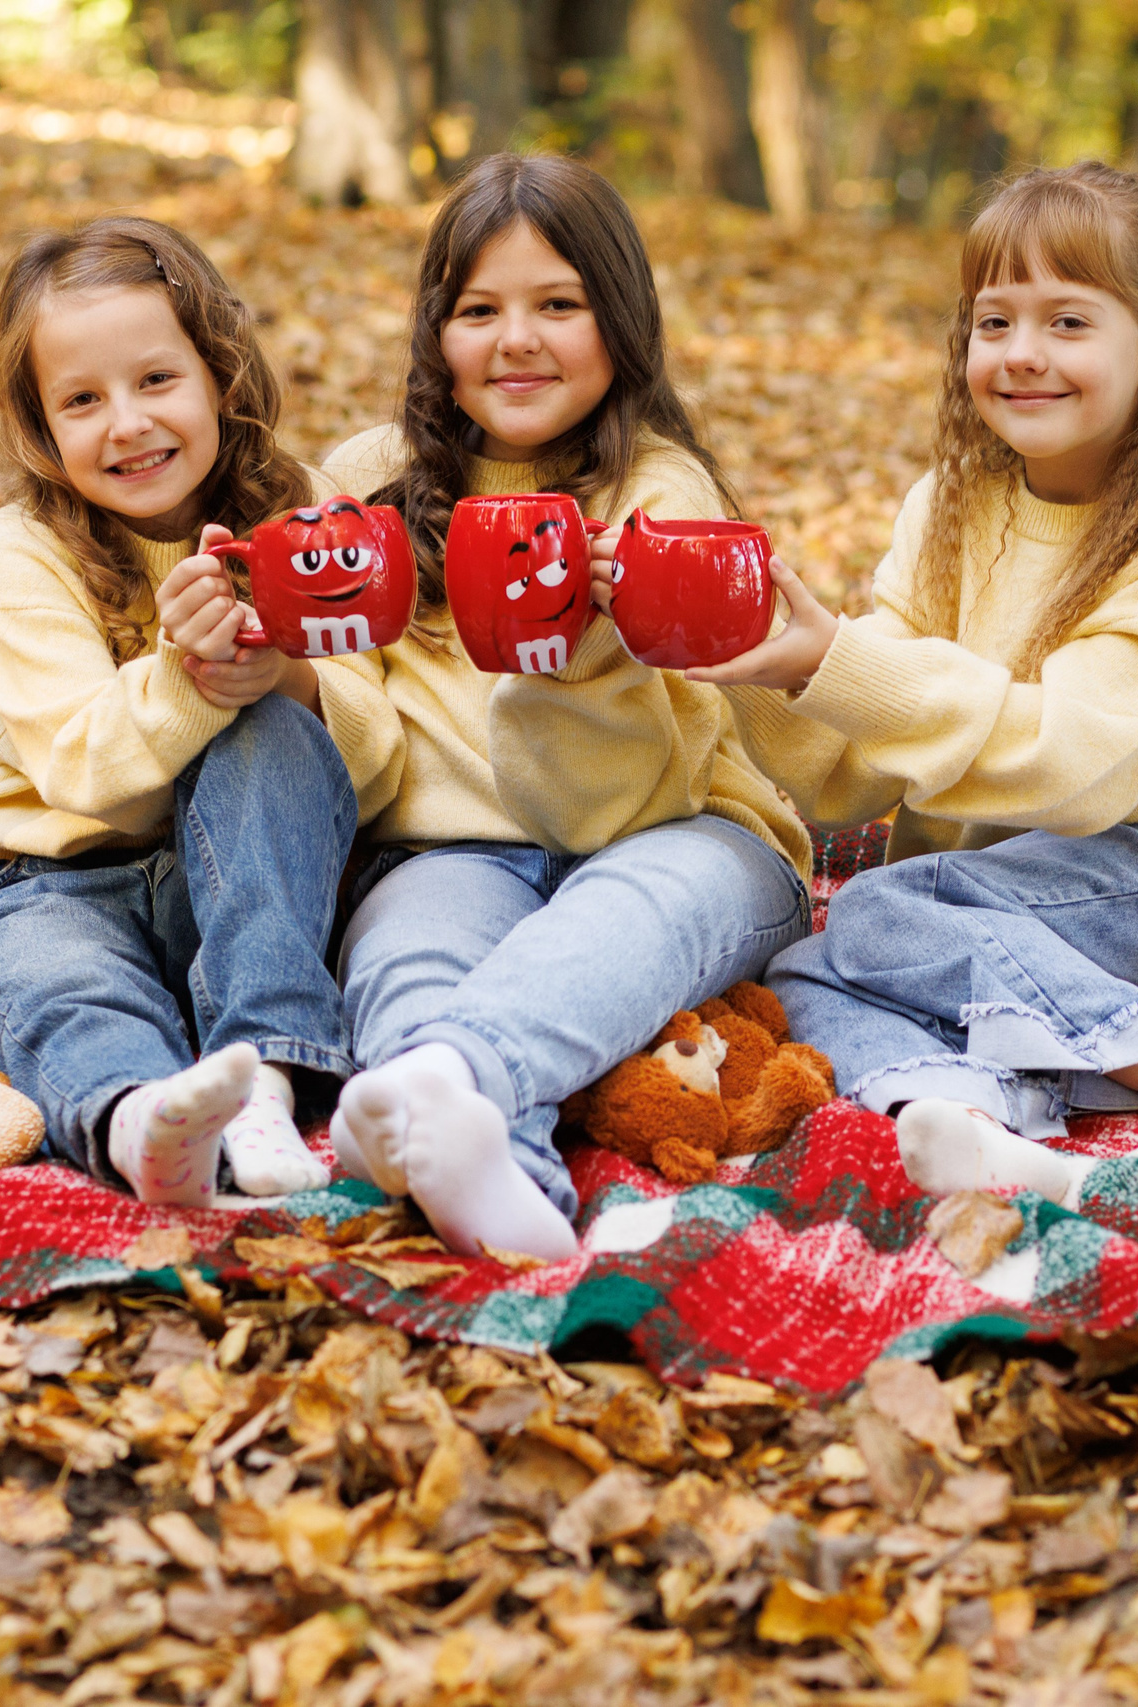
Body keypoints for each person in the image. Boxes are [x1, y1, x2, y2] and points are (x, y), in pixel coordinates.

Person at [701, 162, 1138, 1209]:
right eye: (995, 322)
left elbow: (1073, 768)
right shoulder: (946, 507)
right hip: (981, 902)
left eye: (1068, 322)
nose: (1023, 354)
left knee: (880, 911)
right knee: (802, 973)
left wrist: (839, 661)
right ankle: (977, 1119)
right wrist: (755, 664)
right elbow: (853, 775)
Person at [315, 154, 814, 1261]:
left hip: (680, 838)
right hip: (453, 850)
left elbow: (616, 811)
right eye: (478, 311)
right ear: (434, 332)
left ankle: (451, 1076)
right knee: (406, 951)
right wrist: (294, 677)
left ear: (620, 322)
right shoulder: (367, 482)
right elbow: (358, 753)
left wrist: (584, 649)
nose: (517, 341)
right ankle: (494, 1169)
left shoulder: (659, 495)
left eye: (558, 305)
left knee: (623, 920)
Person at [0, 217, 363, 1208]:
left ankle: (264, 1078)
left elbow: (376, 754)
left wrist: (284, 679)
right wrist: (185, 679)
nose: (126, 423)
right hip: (45, 880)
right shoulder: (22, 550)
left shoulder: (304, 512)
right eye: (82, 400)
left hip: (249, 885)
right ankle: (138, 1115)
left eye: (157, 380)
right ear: (41, 426)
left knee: (268, 731)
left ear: (219, 374)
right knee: (55, 982)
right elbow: (78, 767)